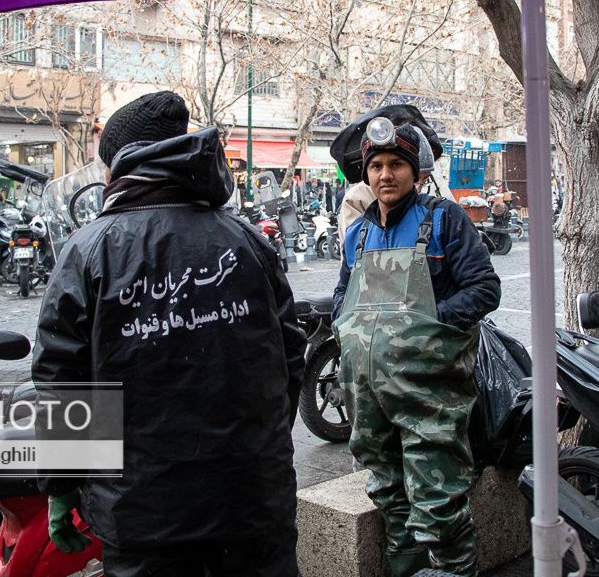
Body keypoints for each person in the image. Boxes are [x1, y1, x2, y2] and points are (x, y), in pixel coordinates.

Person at [32, 91, 305, 577]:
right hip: (252, 497)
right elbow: (289, 358)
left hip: (142, 512)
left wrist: (61, 485)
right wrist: (260, 447)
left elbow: (63, 382)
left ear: (119, 167)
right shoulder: (247, 241)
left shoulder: (89, 250)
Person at [332, 118, 501, 577]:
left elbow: (484, 289)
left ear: (417, 172)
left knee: (437, 498)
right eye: (377, 166)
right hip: (368, 397)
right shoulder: (357, 234)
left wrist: (426, 323)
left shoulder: (444, 220)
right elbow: (343, 293)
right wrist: (344, 326)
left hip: (430, 395)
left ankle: (452, 569)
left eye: (397, 165)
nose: (385, 175)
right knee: (387, 490)